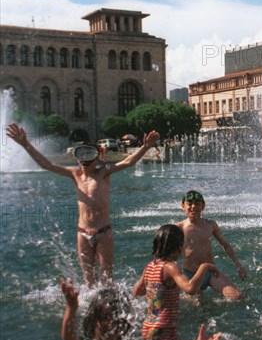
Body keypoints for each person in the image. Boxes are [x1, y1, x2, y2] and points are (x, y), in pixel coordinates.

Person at [6, 123, 160, 287]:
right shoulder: (75, 174)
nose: (85, 160)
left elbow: (129, 162)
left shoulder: (104, 172)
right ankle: (90, 309)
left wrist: (145, 147)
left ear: (98, 156)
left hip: (103, 232)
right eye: (81, 155)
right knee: (89, 282)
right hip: (82, 233)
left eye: (89, 155)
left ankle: (109, 307)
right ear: (76, 157)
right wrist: (25, 144)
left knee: (107, 277)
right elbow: (46, 165)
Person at [61, 279, 221, 340]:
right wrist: (71, 308)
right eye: (104, 318)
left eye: (116, 319)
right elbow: (69, 339)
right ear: (93, 320)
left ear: (124, 324)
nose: (110, 324)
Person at [133, 224, 220, 340]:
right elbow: (190, 289)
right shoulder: (170, 267)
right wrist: (204, 267)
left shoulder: (150, 266)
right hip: (164, 327)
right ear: (176, 247)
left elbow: (137, 291)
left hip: (148, 327)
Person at [176, 190, 247, 301]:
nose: (193, 206)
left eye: (197, 203)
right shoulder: (179, 228)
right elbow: (167, 251)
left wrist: (238, 265)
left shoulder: (210, 225)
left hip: (210, 272)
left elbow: (225, 245)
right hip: (190, 275)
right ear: (183, 206)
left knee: (237, 297)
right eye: (189, 203)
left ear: (203, 206)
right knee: (196, 309)